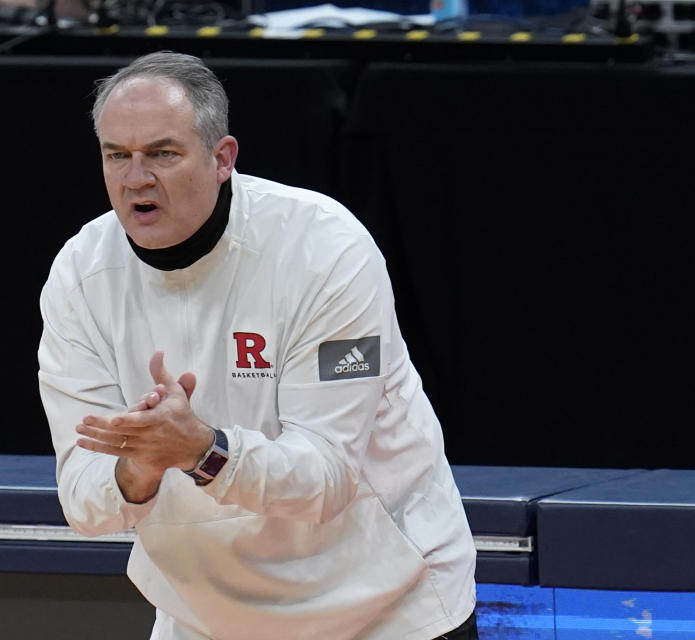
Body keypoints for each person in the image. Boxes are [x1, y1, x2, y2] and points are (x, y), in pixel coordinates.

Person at [38, 51, 478, 640]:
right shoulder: (80, 276)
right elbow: (85, 504)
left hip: (383, 605)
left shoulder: (327, 251)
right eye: (117, 155)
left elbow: (326, 478)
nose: (135, 178)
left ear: (222, 159)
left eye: (162, 154)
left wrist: (203, 450)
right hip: (205, 616)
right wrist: (139, 466)